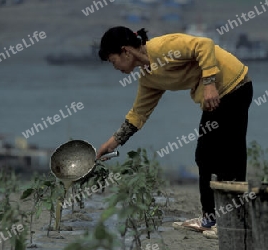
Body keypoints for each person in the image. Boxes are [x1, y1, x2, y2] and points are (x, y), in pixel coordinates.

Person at [96, 26, 253, 228]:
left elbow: (203, 44)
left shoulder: (162, 48)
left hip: (234, 85)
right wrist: (110, 144)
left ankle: (231, 223)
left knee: (226, 155)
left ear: (125, 51)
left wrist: (209, 83)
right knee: (206, 155)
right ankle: (212, 219)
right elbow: (138, 114)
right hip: (216, 99)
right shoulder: (148, 77)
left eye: (112, 60)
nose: (114, 67)